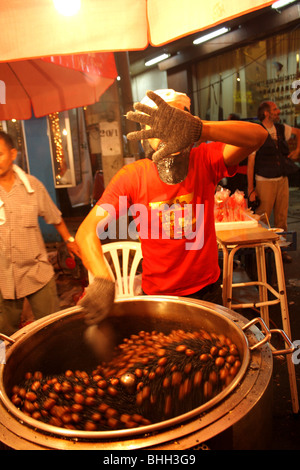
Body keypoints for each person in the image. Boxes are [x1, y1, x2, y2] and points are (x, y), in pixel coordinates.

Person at [75, 89, 268, 326]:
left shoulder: (204, 160)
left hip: (206, 291)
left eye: (179, 120)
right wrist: (103, 281)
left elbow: (258, 136)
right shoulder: (134, 177)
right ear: (147, 133)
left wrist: (201, 129)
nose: (172, 129)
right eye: (163, 121)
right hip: (158, 296)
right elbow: (86, 231)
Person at [0, 131, 81, 335]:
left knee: (51, 327)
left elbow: (54, 217)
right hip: (4, 277)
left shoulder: (32, 186)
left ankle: (54, 365)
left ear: (12, 154)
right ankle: (4, 366)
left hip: (36, 272)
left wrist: (70, 241)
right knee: (5, 334)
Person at [247, 101, 300, 262]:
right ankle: (261, 250)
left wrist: (298, 150)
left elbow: (299, 132)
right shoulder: (257, 131)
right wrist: (251, 189)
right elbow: (251, 162)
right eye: (275, 109)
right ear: (267, 113)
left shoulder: (281, 128)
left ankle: (281, 250)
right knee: (263, 217)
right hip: (264, 180)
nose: (278, 111)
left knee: (282, 217)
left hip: (281, 178)